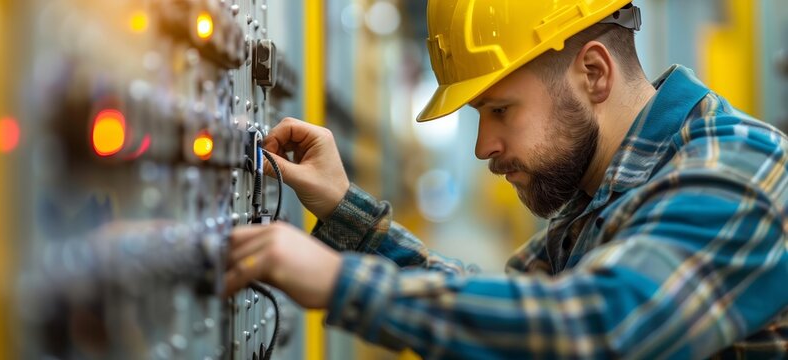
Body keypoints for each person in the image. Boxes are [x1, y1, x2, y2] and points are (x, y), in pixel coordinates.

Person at [222, 0, 788, 358]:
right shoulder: (610, 185)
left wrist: (341, 284)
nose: (482, 147)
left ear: (593, 73)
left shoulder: (735, 168)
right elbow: (521, 305)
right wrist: (346, 209)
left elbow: (594, 330)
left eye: (500, 110)